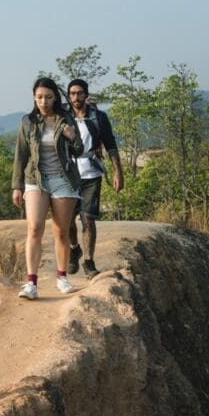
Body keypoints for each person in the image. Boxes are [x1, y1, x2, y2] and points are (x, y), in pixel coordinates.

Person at [11, 78, 84, 300]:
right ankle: (31, 283)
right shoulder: (27, 122)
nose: (44, 101)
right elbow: (20, 155)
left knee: (61, 230)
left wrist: (72, 138)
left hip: (63, 178)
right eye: (40, 96)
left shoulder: (66, 119)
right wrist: (16, 186)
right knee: (34, 228)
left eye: (49, 97)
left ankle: (62, 277)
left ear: (55, 98)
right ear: (34, 97)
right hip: (35, 178)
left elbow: (79, 150)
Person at [66, 78, 124, 276]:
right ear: (68, 95)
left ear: (85, 94)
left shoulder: (98, 117)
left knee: (88, 218)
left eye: (79, 93)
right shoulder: (63, 117)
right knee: (66, 220)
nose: (76, 97)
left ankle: (88, 261)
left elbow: (110, 145)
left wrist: (118, 171)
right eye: (72, 93)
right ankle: (74, 249)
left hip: (91, 172)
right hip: (68, 174)